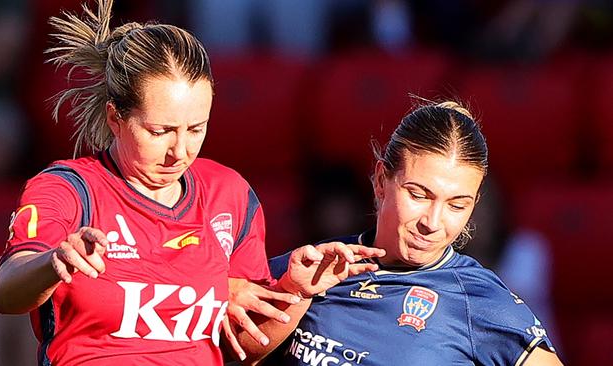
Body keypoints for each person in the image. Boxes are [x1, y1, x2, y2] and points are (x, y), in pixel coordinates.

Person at [0, 1, 386, 364]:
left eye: (196, 129)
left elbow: (243, 349)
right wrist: (52, 261)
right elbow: (7, 293)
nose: (180, 150)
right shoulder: (70, 188)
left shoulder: (227, 194)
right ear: (115, 118)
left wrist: (297, 292)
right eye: (160, 131)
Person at [238, 100, 564, 365]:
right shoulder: (311, 270)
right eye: (419, 195)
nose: (433, 222)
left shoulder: (478, 299)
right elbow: (232, 356)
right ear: (381, 181)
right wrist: (294, 294)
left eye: (457, 205)